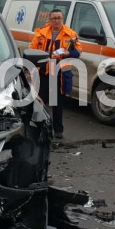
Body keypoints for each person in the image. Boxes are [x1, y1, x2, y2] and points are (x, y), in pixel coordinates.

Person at [29, 9, 79, 139]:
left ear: (63, 19)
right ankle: (37, 128)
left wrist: (69, 53)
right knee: (39, 101)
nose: (57, 20)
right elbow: (32, 50)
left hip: (59, 73)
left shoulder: (71, 34)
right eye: (54, 18)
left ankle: (58, 130)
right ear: (50, 20)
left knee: (57, 103)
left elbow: (78, 52)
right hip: (43, 72)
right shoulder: (41, 33)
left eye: (59, 18)